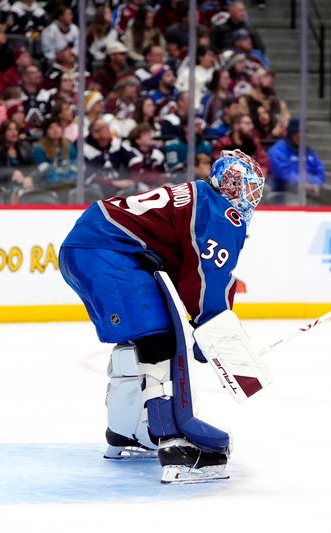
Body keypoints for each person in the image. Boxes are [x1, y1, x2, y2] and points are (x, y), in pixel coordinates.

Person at [58, 149, 265, 484]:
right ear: (233, 186)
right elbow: (205, 278)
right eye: (250, 189)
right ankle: (173, 441)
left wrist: (206, 326)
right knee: (160, 339)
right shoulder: (221, 213)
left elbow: (189, 268)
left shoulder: (199, 194)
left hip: (85, 245)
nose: (252, 198)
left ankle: (126, 429)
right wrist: (211, 329)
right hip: (108, 252)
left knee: (139, 337)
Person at [267, 118, 325, 194]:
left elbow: (319, 171)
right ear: (292, 135)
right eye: (299, 134)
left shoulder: (309, 152)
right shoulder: (277, 150)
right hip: (283, 190)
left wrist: (316, 184)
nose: (302, 137)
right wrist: (302, 184)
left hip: (309, 189)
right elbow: (284, 174)